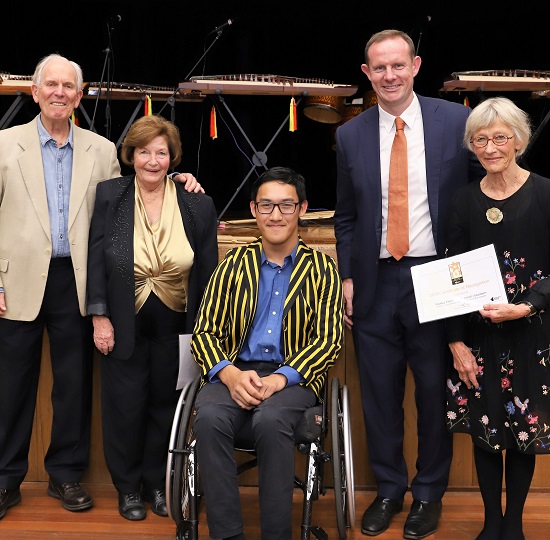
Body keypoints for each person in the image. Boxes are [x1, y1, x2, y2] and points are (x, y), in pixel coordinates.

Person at [0, 53, 201, 520]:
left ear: (80, 93)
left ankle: (66, 476)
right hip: (16, 283)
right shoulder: (4, 145)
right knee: (11, 387)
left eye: (68, 86)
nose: (58, 93)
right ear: (34, 92)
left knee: (73, 386)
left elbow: (131, 199)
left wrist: (178, 179)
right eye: (49, 85)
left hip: (78, 282)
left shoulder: (102, 149)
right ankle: (6, 480)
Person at [334, 29, 484, 538]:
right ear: (366, 74)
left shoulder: (456, 120)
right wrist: (349, 275)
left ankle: (427, 494)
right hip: (375, 283)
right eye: (379, 68)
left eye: (398, 65)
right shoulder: (349, 134)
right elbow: (348, 217)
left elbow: (476, 196)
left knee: (431, 397)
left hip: (436, 278)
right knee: (379, 396)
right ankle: (390, 489)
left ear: (416, 65)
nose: (390, 76)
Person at [190, 166, 343, 540]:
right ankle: (227, 535)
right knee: (208, 416)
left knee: (270, 420)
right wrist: (229, 374)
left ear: (302, 208)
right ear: (254, 209)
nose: (276, 215)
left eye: (286, 205)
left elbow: (328, 339)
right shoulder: (232, 266)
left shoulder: (322, 269)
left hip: (294, 375)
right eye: (267, 205)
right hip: (236, 371)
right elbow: (203, 332)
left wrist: (279, 379)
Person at [86, 114, 218, 521]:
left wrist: (207, 330)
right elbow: (95, 259)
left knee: (168, 406)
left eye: (161, 152)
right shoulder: (111, 195)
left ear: (172, 156)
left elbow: (209, 272)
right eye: (144, 151)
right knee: (124, 407)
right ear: (131, 155)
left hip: (178, 324)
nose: (152, 160)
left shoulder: (197, 202)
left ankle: (159, 485)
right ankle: (127, 489)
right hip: (123, 321)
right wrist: (99, 316)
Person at [445, 97, 550, 540]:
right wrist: (455, 343)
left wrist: (527, 305)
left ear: (519, 141)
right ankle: (491, 523)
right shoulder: (462, 200)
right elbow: (449, 274)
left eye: (500, 137)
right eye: (480, 139)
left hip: (531, 331)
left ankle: (514, 525)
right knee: (485, 428)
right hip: (478, 336)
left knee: (523, 430)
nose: (490, 147)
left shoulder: (546, 192)